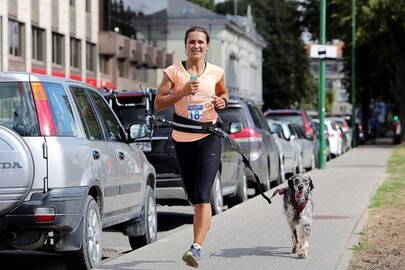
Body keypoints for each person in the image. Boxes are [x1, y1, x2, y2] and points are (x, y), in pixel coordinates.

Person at [154, 26, 229, 268]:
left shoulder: (216, 72)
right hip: (183, 139)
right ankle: (199, 230)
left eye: (201, 42)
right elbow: (158, 103)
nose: (196, 46)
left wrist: (222, 101)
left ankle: (196, 248)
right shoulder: (173, 72)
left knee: (202, 195)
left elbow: (224, 93)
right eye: (192, 42)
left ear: (207, 46)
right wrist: (182, 91)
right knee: (193, 197)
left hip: (209, 137)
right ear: (185, 45)